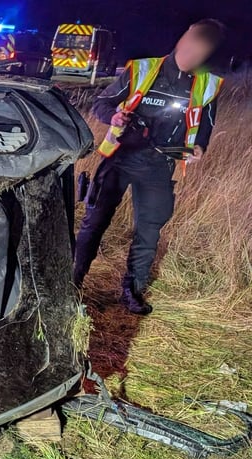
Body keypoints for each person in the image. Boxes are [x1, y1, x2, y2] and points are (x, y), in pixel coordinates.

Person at [73, 19, 226, 315]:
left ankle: (132, 291)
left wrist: (199, 148)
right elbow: (100, 105)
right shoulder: (142, 69)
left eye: (203, 51)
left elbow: (205, 128)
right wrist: (114, 118)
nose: (194, 54)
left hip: (160, 165)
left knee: (149, 232)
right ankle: (72, 282)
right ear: (182, 40)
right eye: (192, 45)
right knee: (94, 223)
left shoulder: (208, 86)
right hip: (119, 158)